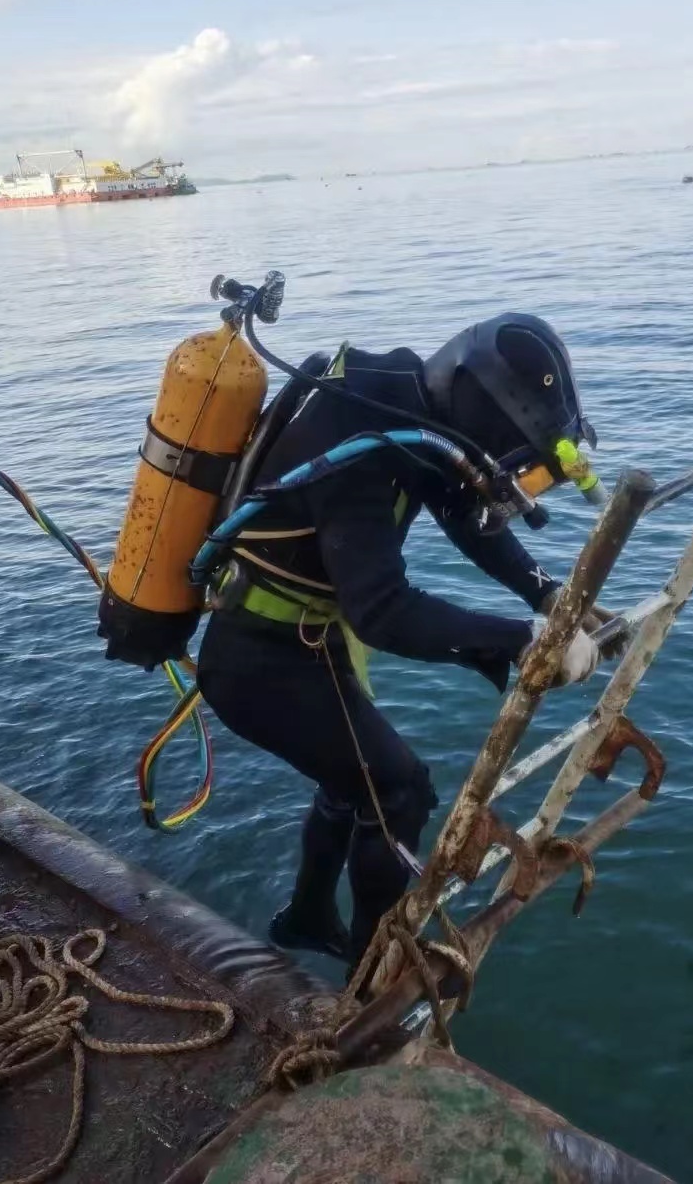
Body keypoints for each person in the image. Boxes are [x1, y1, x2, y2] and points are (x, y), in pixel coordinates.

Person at [195, 312, 603, 967]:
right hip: (256, 662)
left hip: (299, 641)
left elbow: (463, 511)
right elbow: (382, 612)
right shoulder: (360, 439)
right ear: (485, 412)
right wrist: (522, 639)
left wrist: (548, 596)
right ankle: (369, 974)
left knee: (351, 780)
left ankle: (306, 917)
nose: (504, 476)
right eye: (510, 459)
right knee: (399, 789)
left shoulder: (401, 401)